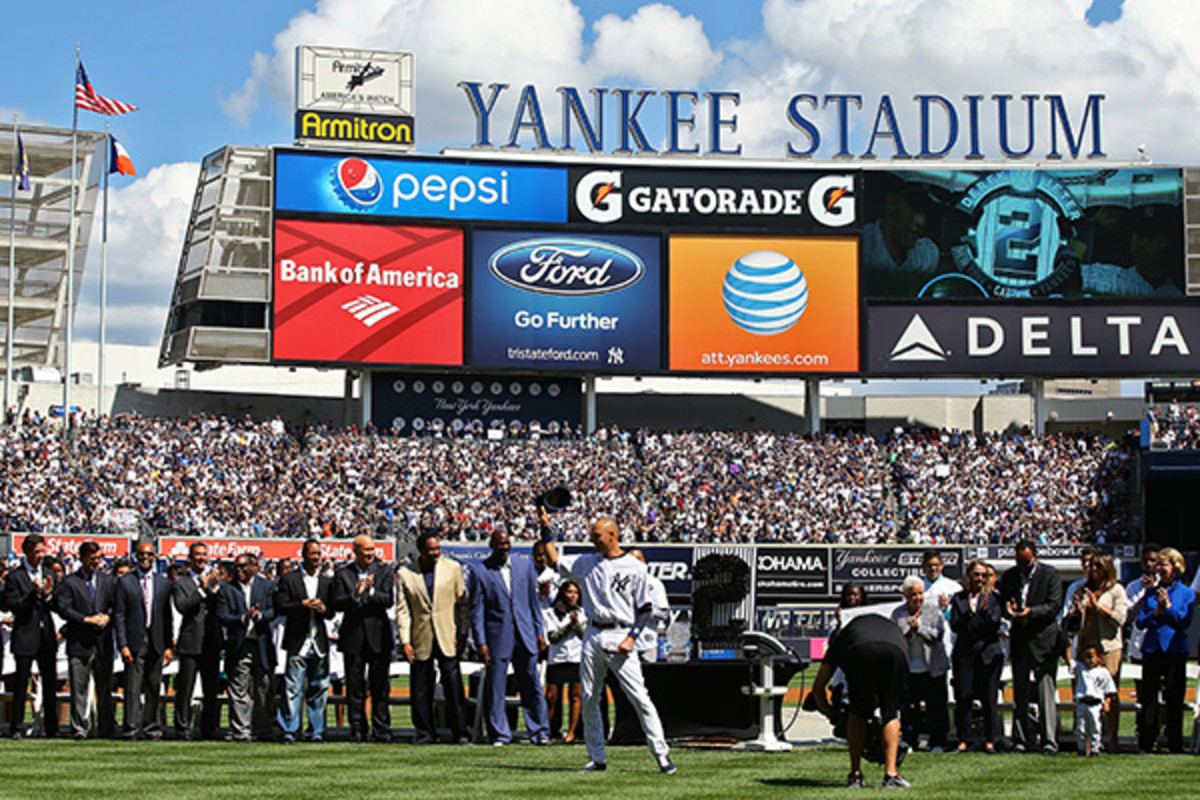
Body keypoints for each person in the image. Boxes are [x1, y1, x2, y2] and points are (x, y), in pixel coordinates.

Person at [540, 509, 676, 775]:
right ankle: (597, 757)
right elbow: (553, 558)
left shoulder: (634, 567)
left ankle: (662, 755)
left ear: (613, 535)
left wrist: (632, 638)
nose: (593, 540)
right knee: (590, 697)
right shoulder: (587, 561)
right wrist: (545, 528)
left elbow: (645, 608)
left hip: (621, 633)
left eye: (597, 536)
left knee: (640, 698)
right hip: (592, 632)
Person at [811, 614, 911, 789]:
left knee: (857, 713)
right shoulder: (878, 627)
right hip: (897, 650)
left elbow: (818, 687)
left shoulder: (840, 641)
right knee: (891, 713)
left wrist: (830, 711)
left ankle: (855, 774)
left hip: (861, 650)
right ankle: (891, 774)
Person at [471, 529, 549, 746]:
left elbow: (533, 605)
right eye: (500, 544)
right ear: (492, 545)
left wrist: (539, 633)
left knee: (531, 684)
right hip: (497, 637)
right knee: (496, 687)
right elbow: (476, 612)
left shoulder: (524, 567)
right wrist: (481, 642)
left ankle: (540, 731)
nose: (504, 547)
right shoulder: (481, 572)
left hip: (525, 635)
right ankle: (499, 734)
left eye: (507, 543)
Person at [395, 531, 470, 745]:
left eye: (438, 549)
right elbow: (403, 610)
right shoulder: (405, 574)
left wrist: (463, 632)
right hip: (421, 636)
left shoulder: (452, 569)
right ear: (420, 551)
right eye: (431, 551)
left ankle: (460, 731)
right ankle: (425, 732)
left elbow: (462, 604)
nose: (436, 554)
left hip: (448, 636)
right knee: (420, 687)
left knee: (454, 686)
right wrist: (405, 641)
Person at [998, 539, 1063, 754]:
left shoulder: (1050, 575)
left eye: (1026, 562)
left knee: (1046, 692)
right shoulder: (1009, 577)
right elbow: (1003, 605)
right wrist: (1009, 609)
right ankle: (1022, 739)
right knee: (1020, 694)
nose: (1023, 566)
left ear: (1035, 557)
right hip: (1020, 641)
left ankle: (1049, 740)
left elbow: (1054, 606)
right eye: (1019, 561)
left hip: (1044, 641)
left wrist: (1031, 612)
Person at [331, 534, 395, 743]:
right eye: (365, 550)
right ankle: (357, 729)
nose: (370, 554)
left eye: (372, 550)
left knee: (380, 687)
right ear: (355, 551)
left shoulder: (384, 571)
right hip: (354, 637)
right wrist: (356, 596)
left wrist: (371, 590)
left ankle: (381, 730)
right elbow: (336, 602)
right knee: (355, 687)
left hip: (378, 636)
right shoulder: (343, 574)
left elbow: (388, 600)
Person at [1063, 553, 1126, 753]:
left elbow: (1120, 619)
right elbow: (1071, 621)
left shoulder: (1116, 590)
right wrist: (1077, 611)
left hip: (1108, 647)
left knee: (1109, 695)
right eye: (1091, 566)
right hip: (1085, 645)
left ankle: (1112, 738)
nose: (1093, 569)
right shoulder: (1082, 589)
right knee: (1084, 693)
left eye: (1098, 566)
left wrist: (1098, 607)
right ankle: (1086, 740)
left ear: (1107, 568)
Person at [1134, 547, 1194, 754]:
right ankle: (1146, 744)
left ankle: (1175, 744)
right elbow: (1141, 623)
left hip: (1175, 650)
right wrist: (1156, 612)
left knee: (1174, 700)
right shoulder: (1150, 592)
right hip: (1152, 649)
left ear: (1175, 567)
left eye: (1163, 564)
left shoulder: (1186, 594)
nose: (1159, 568)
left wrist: (1167, 608)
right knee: (1149, 699)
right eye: (1158, 564)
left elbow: (1183, 622)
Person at [54, 540, 116, 740]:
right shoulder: (70, 582)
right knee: (79, 689)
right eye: (92, 559)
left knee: (105, 688)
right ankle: (79, 728)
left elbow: (117, 606)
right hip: (80, 642)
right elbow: (64, 609)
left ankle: (106, 727)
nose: (96, 562)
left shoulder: (107, 581)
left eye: (98, 558)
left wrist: (107, 617)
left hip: (103, 643)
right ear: (82, 558)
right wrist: (86, 619)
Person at [275, 539, 334, 744]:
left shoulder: (327, 581)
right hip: (298, 640)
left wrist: (323, 609)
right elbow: (280, 606)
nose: (316, 558)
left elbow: (332, 611)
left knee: (319, 688)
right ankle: (290, 730)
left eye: (319, 554)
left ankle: (316, 731)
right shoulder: (289, 579)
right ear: (303, 555)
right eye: (312, 554)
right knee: (292, 688)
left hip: (318, 641)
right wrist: (302, 605)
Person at [113, 541, 174, 741]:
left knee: (154, 687)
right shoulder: (126, 582)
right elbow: (119, 615)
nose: (145, 558)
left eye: (148, 555)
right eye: (141, 555)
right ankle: (130, 728)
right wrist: (122, 644)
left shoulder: (163, 582)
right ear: (135, 557)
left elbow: (167, 616)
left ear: (154, 557)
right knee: (132, 688)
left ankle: (151, 727)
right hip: (134, 640)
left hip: (156, 639)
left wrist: (167, 645)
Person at [4, 533, 61, 738]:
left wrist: (48, 594)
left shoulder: (49, 575)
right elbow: (14, 606)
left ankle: (52, 727)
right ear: (27, 552)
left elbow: (58, 604)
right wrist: (32, 594)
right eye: (36, 552)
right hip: (25, 634)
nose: (40, 555)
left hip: (45, 634)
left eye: (42, 551)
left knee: (49, 682)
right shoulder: (15, 577)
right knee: (21, 683)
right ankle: (17, 727)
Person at [217, 552, 277, 742]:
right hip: (239, 645)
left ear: (254, 567)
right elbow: (223, 616)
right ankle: (241, 730)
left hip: (261, 642)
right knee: (238, 688)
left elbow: (274, 610)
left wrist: (259, 616)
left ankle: (262, 728)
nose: (239, 571)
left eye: (243, 567)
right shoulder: (227, 589)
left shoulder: (266, 586)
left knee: (264, 687)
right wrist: (243, 618)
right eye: (236, 567)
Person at [170, 541, 224, 740]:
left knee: (211, 690)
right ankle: (182, 728)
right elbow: (183, 607)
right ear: (190, 558)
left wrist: (214, 589)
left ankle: (208, 729)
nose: (201, 558)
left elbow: (220, 608)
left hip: (211, 643)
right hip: (190, 641)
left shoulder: (215, 581)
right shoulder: (181, 583)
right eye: (197, 555)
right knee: (185, 689)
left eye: (204, 554)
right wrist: (201, 590)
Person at [949, 560, 1003, 753]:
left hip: (988, 654)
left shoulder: (994, 599)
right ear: (969, 576)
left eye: (983, 575)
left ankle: (990, 740)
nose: (980, 579)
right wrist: (970, 613)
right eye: (976, 575)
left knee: (989, 699)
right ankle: (964, 739)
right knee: (964, 697)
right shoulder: (959, 598)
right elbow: (955, 625)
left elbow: (995, 623)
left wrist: (984, 611)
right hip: (965, 655)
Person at [891, 575, 948, 752]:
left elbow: (937, 635)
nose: (917, 598)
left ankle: (937, 741)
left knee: (936, 706)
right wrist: (909, 630)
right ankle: (910, 739)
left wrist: (919, 628)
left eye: (920, 593)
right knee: (909, 708)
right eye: (913, 594)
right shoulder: (898, 613)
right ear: (906, 596)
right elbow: (896, 638)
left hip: (932, 667)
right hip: (910, 668)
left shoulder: (933, 610)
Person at [1124, 544, 1160, 747]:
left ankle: (1159, 732)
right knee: (1143, 696)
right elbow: (1128, 617)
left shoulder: (1167, 585)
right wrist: (1144, 595)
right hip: (1139, 646)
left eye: (1153, 561)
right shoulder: (1133, 587)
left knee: (1160, 696)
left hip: (1160, 647)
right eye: (1146, 561)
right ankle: (1143, 734)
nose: (1149, 565)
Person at [543, 580, 586, 743]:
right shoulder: (551, 613)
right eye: (569, 592)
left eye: (575, 592)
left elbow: (584, 636)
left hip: (576, 657)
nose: (573, 596)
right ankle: (552, 730)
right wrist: (570, 625)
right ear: (562, 593)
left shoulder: (582, 612)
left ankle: (572, 732)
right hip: (557, 658)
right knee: (552, 697)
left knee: (575, 695)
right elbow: (553, 637)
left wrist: (577, 625)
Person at [626, 548, 669, 663]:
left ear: (644, 561)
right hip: (623, 641)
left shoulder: (654, 583)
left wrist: (642, 611)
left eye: (638, 559)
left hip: (646, 642)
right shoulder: (620, 583)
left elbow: (664, 613)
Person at [1073, 645, 1117, 757]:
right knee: (1080, 728)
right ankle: (1081, 748)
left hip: (1096, 704)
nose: (1089, 660)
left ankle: (1095, 749)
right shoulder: (1081, 669)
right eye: (1086, 657)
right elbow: (1071, 660)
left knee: (1095, 728)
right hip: (1082, 702)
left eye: (1091, 657)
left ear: (1099, 658)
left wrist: (1107, 702)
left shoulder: (1103, 672)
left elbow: (1109, 690)